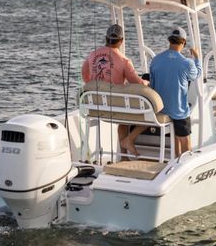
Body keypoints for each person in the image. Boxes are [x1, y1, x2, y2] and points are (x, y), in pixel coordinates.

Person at [82, 24, 148, 158]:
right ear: (121, 41)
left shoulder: (91, 55)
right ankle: (124, 152)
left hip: (94, 107)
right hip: (115, 108)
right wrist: (146, 82)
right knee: (127, 117)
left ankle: (123, 156)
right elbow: (136, 82)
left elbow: (85, 76)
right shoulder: (124, 61)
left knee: (123, 115)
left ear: (106, 38)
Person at [150, 27, 202, 157]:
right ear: (183, 42)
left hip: (160, 109)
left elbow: (153, 84)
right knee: (185, 139)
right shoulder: (187, 63)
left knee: (177, 126)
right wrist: (197, 58)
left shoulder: (155, 60)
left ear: (169, 40)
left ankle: (176, 157)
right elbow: (197, 75)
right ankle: (185, 162)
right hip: (178, 110)